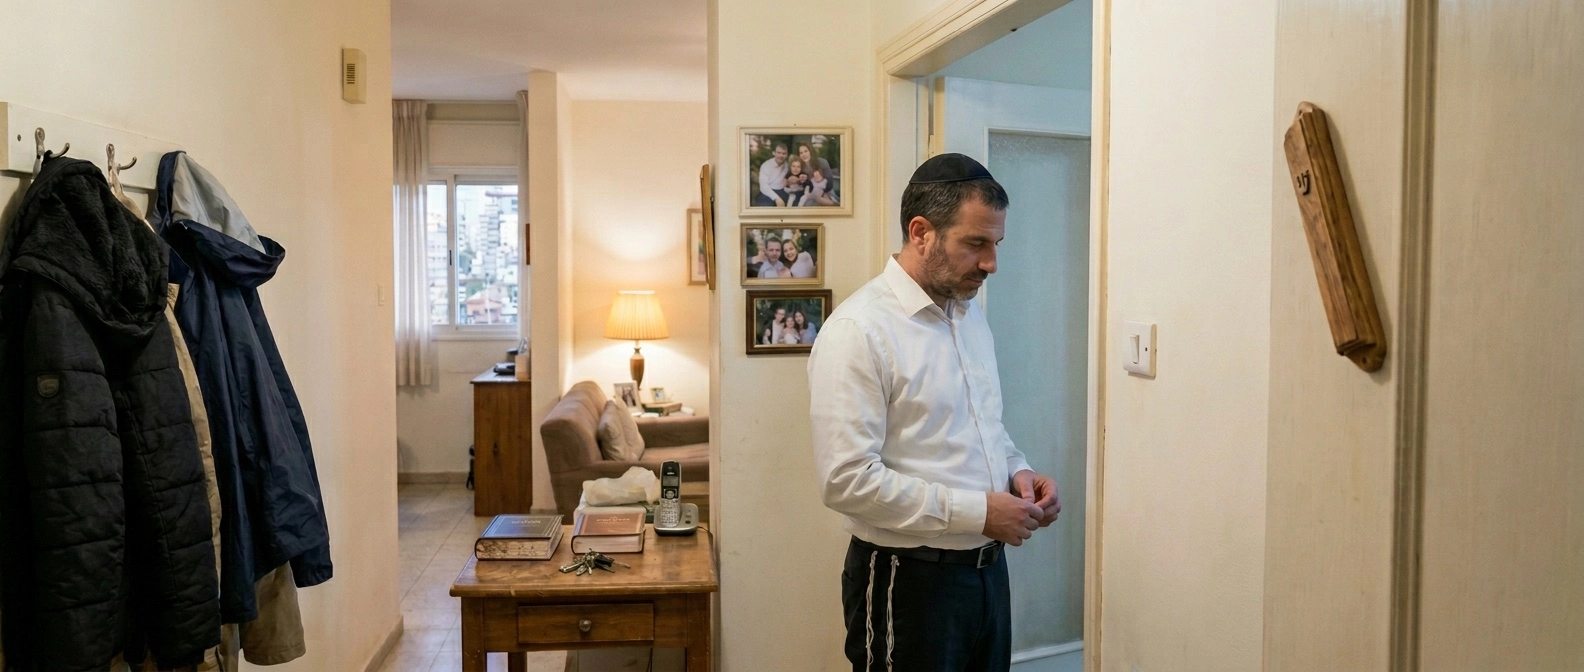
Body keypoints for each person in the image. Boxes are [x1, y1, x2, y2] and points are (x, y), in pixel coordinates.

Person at [808, 153, 1060, 672]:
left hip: (989, 573)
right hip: (909, 580)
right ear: (921, 232)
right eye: (976, 243)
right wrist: (980, 512)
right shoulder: (858, 331)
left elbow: (983, 426)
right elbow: (845, 480)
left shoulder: (968, 316)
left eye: (996, 244)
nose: (992, 263)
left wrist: (1019, 472)